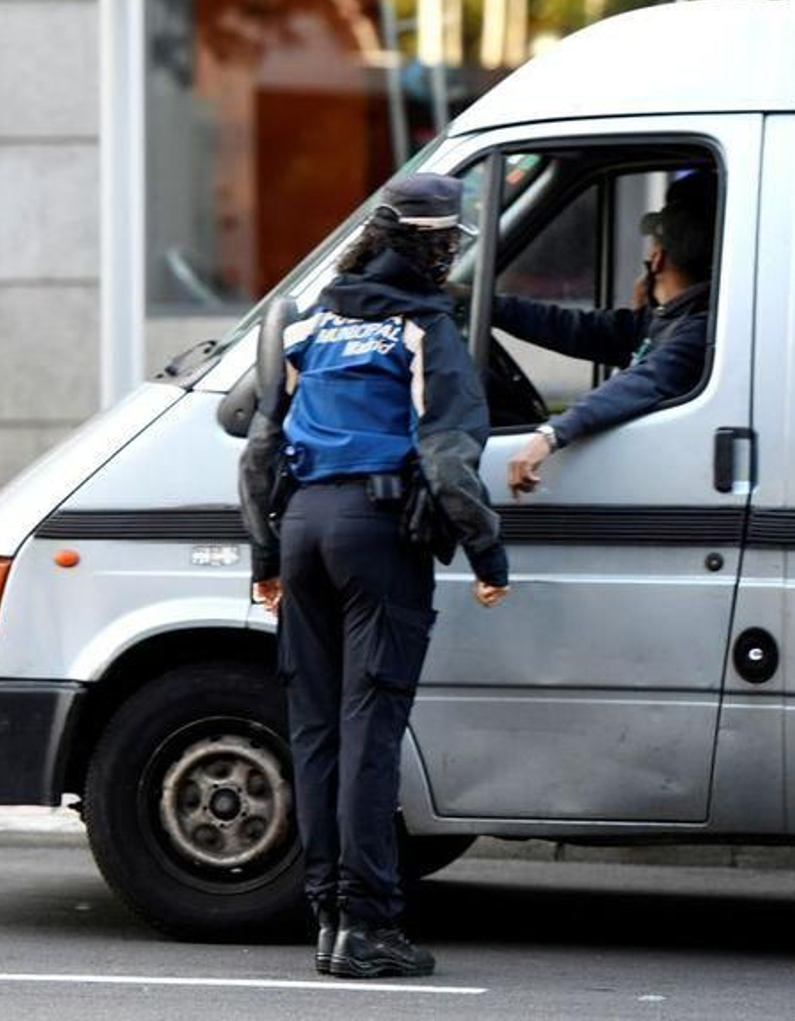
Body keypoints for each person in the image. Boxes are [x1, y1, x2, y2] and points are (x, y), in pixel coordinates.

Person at [238, 174, 509, 980]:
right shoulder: (427, 328)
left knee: (317, 731)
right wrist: (488, 555)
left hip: (303, 531)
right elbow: (450, 460)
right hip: (376, 536)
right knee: (370, 733)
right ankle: (369, 924)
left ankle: (326, 915)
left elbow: (254, 446)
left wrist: (263, 557)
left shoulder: (310, 325)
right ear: (437, 248)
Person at [498, 170, 718, 496]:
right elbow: (576, 329)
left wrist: (549, 436)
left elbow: (642, 381)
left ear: (657, 259)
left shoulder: (696, 329)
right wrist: (483, 304)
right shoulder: (670, 318)